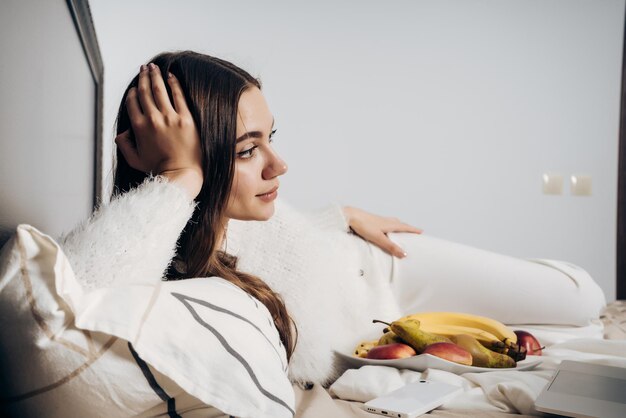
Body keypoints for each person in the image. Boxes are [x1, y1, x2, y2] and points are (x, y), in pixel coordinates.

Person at [61, 50, 606, 391]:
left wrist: (340, 216)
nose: (280, 165)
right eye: (248, 149)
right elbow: (69, 304)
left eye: (269, 139)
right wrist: (176, 173)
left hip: (379, 270)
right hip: (378, 327)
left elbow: (278, 239)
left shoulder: (244, 212)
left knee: (582, 299)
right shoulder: (154, 246)